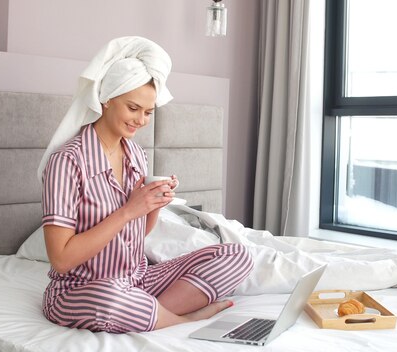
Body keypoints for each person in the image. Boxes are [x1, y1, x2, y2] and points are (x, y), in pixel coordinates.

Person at [37, 36, 253, 333]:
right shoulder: (68, 162)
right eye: (133, 108)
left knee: (237, 255)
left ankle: (147, 312)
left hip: (136, 281)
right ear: (107, 99)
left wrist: (153, 204)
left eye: (149, 112)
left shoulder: (136, 154)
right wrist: (127, 211)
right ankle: (183, 320)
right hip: (81, 290)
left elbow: (137, 233)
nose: (141, 120)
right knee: (110, 297)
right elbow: (61, 259)